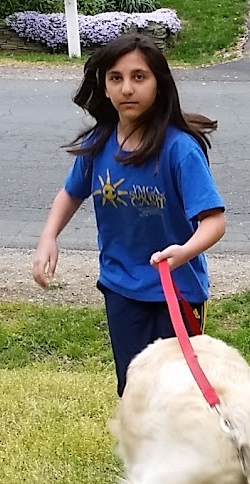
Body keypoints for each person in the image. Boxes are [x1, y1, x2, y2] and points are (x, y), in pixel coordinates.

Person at [31, 35, 226, 396]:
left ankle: (181, 453)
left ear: (159, 84)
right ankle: (143, 453)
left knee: (178, 391)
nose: (127, 88)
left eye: (139, 77)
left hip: (175, 290)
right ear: (104, 87)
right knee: (134, 387)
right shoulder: (98, 145)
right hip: (121, 286)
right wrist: (48, 237)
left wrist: (183, 252)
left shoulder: (179, 150)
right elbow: (71, 192)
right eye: (116, 78)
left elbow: (214, 222)